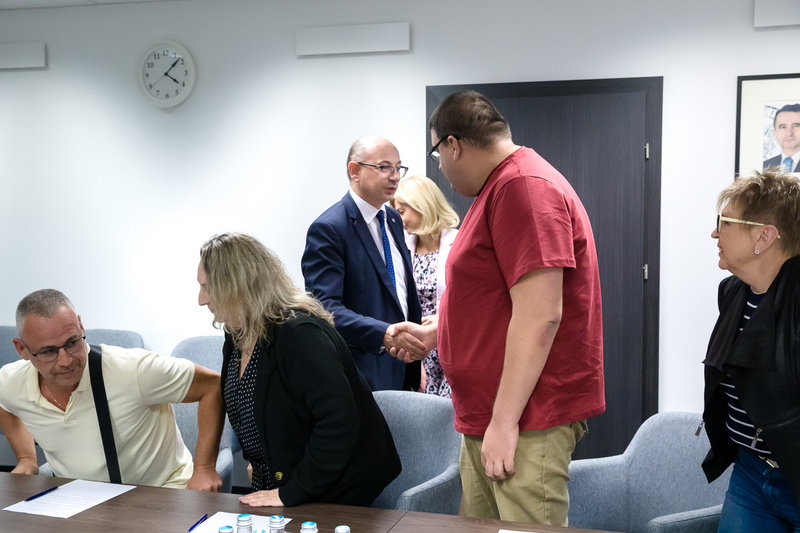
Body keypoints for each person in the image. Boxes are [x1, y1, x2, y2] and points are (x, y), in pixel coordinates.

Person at [424, 90, 605, 526]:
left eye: (437, 155)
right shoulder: (499, 188)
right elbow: (497, 296)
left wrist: (504, 424)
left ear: (453, 145)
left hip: (525, 417)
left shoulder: (523, 187)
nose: (442, 170)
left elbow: (542, 314)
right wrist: (439, 332)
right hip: (491, 413)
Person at [198, 232, 401, 507]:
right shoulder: (237, 334)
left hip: (330, 490)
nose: (201, 299)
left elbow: (338, 424)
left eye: (207, 287)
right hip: (281, 483)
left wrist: (291, 491)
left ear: (234, 285)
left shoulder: (301, 335)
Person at [0, 289, 224, 490]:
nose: (66, 361)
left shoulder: (132, 370)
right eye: (49, 351)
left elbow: (212, 384)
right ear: (22, 350)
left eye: (72, 342)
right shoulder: (11, 382)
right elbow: (5, 405)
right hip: (74, 497)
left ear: (81, 326)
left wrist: (204, 467)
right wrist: (26, 458)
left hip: (162, 493)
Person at [703, 169, 800, 532]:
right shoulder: (732, 292)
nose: (715, 232)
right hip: (751, 474)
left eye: (724, 222)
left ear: (765, 236)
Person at [301, 135, 427, 391]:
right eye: (383, 167)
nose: (394, 176)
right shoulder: (329, 228)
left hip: (404, 365)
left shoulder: (392, 219)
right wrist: (384, 333)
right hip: (361, 373)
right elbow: (323, 308)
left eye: (398, 167)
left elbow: (399, 291)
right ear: (354, 170)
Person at [389, 175, 459, 397]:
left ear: (423, 206)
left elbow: (475, 300)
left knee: (452, 418)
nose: (399, 219)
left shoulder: (460, 244)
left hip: (452, 341)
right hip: (417, 350)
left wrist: (443, 317)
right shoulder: (401, 250)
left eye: (402, 211)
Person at [763, 104, 800, 173]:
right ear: (775, 133)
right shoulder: (765, 166)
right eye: (783, 127)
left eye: (796, 126)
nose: (789, 133)